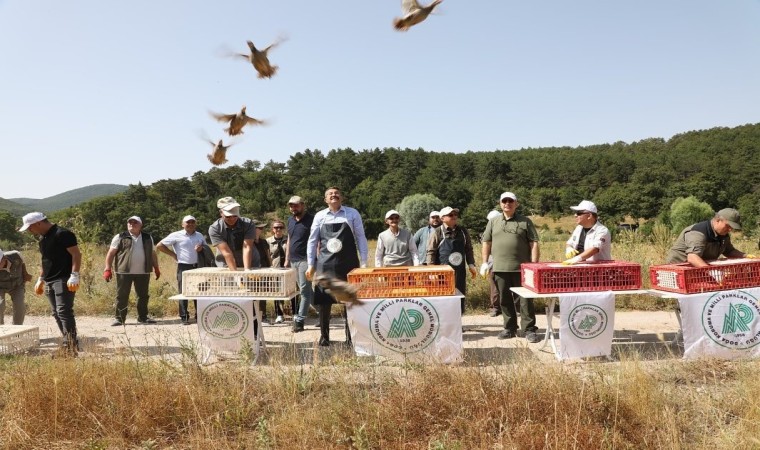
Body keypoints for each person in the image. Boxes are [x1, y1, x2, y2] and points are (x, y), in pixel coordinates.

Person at [306, 186, 368, 346]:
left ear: (342, 197)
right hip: (325, 263)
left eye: (336, 193)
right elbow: (313, 241)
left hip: (348, 263)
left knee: (349, 300)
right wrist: (311, 264)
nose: (334, 195)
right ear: (325, 199)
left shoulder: (352, 213)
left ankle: (350, 337)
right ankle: (324, 336)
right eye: (330, 194)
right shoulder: (320, 216)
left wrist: (364, 262)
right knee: (324, 300)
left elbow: (361, 237)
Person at [480, 192, 541, 343]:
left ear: (516, 203)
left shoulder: (525, 221)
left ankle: (529, 329)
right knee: (504, 300)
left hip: (522, 269)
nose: (507, 203)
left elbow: (534, 243)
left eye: (510, 201)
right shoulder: (493, 222)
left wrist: (533, 265)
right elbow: (486, 242)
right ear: (500, 204)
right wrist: (484, 262)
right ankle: (509, 328)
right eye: (504, 201)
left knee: (525, 300)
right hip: (500, 268)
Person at [19, 212, 82, 356]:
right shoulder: (43, 239)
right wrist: (40, 279)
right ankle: (70, 342)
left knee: (64, 312)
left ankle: (70, 346)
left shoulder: (63, 234)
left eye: (30, 228)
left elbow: (76, 254)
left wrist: (74, 275)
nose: (30, 231)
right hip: (49, 280)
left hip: (64, 278)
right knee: (56, 313)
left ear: (38, 223)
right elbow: (45, 260)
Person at [104, 216, 161, 326]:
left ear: (140, 225)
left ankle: (143, 318)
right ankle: (119, 319)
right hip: (124, 271)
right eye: (130, 222)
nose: (132, 224)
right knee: (122, 295)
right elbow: (111, 253)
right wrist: (107, 269)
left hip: (143, 272)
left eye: (135, 223)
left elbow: (153, 254)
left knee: (143, 296)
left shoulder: (148, 237)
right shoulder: (120, 236)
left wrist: (156, 268)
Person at [156, 215, 206, 325]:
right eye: (188, 222)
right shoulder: (176, 235)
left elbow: (206, 248)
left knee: (200, 291)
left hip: (198, 266)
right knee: (184, 292)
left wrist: (201, 248)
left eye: (193, 222)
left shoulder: (199, 235)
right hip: (183, 266)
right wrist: (173, 254)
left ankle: (199, 315)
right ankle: (184, 317)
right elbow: (160, 245)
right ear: (182, 224)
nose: (191, 224)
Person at [426, 206, 477, 315]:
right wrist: (431, 271)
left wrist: (471, 264)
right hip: (442, 272)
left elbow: (468, 248)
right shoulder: (437, 232)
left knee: (459, 295)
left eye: (455, 214)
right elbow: (431, 252)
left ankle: (458, 321)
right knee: (443, 297)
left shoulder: (463, 231)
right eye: (450, 215)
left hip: (459, 270)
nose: (454, 217)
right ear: (442, 218)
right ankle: (444, 322)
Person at [666, 208, 752, 265]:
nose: (730, 230)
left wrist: (747, 256)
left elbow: (729, 251)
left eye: (732, 227)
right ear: (718, 220)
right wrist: (711, 273)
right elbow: (692, 257)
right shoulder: (699, 232)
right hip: (679, 269)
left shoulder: (723, 234)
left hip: (698, 268)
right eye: (728, 226)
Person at [284, 195, 315, 333]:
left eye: (296, 205)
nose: (293, 208)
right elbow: (290, 239)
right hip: (293, 260)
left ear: (303, 205)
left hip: (306, 259)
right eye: (291, 206)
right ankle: (323, 310)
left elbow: (317, 239)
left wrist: (314, 261)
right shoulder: (290, 220)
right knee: (306, 290)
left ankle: (300, 320)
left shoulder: (312, 219)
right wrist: (287, 258)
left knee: (303, 290)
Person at [208, 196, 257, 270]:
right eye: (228, 216)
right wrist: (235, 276)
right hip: (226, 265)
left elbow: (247, 247)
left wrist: (247, 270)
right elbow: (227, 253)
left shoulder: (248, 224)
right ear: (221, 213)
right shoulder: (215, 228)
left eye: (235, 216)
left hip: (251, 263)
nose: (232, 219)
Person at [563, 200, 612, 264]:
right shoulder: (578, 228)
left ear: (589, 216)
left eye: (579, 213)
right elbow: (570, 243)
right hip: (580, 268)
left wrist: (576, 259)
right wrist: (569, 248)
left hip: (598, 270)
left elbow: (595, 249)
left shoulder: (602, 231)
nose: (575, 215)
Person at [267, 220, 292, 323]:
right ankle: (279, 314)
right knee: (277, 293)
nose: (278, 229)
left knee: (292, 292)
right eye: (276, 227)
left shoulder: (288, 240)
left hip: (288, 270)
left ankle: (294, 313)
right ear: (272, 229)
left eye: (280, 227)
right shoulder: (268, 241)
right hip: (275, 269)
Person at [0, 248, 32, 325]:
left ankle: (17, 329)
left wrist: (25, 275)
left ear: (4, 258)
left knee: (19, 306)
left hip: (17, 285)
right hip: (0, 286)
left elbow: (22, 263)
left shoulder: (16, 255)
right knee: (0, 305)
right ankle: (1, 330)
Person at [484, 210, 502, 317]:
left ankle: (513, 308)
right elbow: (486, 247)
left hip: (508, 263)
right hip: (493, 263)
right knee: (494, 287)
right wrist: (485, 263)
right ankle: (495, 308)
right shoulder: (488, 231)